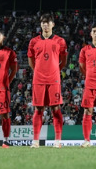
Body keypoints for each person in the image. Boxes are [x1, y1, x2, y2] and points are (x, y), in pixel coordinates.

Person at [27, 14, 68, 148]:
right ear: (41, 25)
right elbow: (31, 60)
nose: (45, 25)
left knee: (55, 109)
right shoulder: (33, 41)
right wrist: (38, 70)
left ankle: (57, 141)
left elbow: (63, 59)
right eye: (43, 22)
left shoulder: (60, 41)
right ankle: (36, 141)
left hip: (54, 79)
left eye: (48, 22)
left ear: (53, 25)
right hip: (38, 79)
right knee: (38, 109)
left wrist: (55, 69)